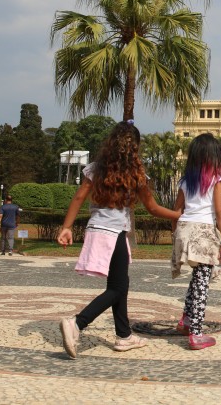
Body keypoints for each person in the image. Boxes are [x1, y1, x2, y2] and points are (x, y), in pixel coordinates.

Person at [56, 121, 181, 360]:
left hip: (96, 229)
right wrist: (177, 215)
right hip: (114, 234)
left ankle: (124, 336)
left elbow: (78, 198)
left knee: (118, 284)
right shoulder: (137, 175)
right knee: (118, 288)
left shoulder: (95, 169)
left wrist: (67, 227)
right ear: (135, 147)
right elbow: (152, 208)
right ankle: (77, 323)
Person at [170, 133, 221, 350]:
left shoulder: (186, 180)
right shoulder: (217, 179)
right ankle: (196, 333)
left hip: (184, 229)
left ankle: (186, 320)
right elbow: (220, 212)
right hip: (203, 232)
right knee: (202, 282)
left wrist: (175, 235)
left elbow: (177, 210)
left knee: (197, 278)